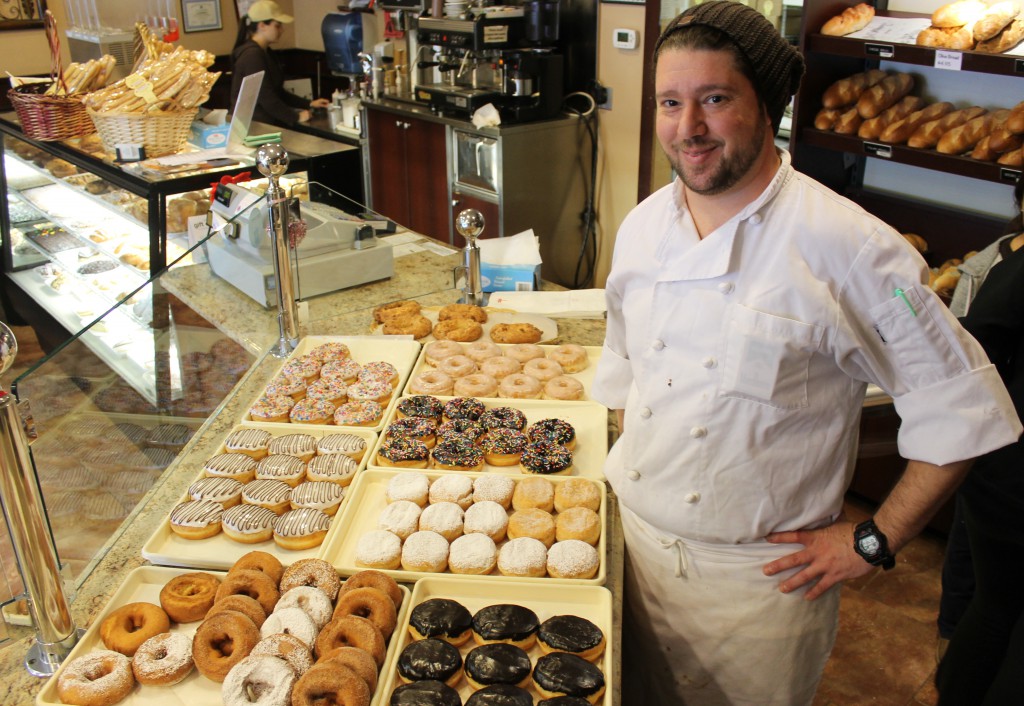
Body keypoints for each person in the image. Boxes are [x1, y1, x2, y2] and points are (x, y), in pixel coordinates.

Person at [589, 2, 1022, 704]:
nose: (687, 128)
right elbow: (624, 380)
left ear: (768, 107)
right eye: (671, 103)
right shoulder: (643, 227)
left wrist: (875, 540)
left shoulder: (850, 247)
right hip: (629, 551)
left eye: (715, 100)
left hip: (755, 592)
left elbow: (964, 410)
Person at [935, 182, 1024, 705]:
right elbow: (978, 347)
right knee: (997, 607)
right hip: (1011, 471)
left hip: (1005, 463)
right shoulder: (1012, 264)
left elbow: (977, 342)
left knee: (996, 606)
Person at [230, 1, 329, 127]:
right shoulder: (252, 56)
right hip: (254, 126)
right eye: (277, 26)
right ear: (262, 26)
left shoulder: (265, 52)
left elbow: (277, 92)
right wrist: (295, 116)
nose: (282, 30)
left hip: (261, 123)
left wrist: (308, 103)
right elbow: (266, 97)